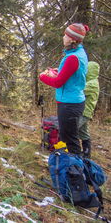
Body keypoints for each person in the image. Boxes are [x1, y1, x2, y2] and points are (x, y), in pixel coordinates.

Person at [40, 23, 89, 155]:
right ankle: (73, 167)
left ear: (72, 39)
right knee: (69, 137)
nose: (63, 37)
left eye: (65, 35)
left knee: (70, 140)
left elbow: (58, 82)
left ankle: (76, 171)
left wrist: (43, 77)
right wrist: (59, 71)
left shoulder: (73, 57)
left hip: (69, 104)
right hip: (73, 100)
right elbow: (73, 74)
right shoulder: (79, 53)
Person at [79, 61, 100, 158]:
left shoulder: (92, 84)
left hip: (84, 112)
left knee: (71, 130)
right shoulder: (90, 82)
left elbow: (79, 89)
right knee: (83, 133)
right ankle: (86, 154)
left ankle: (73, 152)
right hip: (85, 112)